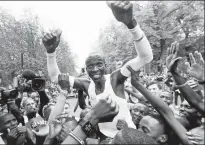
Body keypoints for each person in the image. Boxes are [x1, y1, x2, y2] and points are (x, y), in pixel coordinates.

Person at [43, 0, 153, 138]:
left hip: (127, 137)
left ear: (105, 66)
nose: (95, 69)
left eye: (99, 65)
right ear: (86, 69)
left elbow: (146, 57)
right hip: (103, 139)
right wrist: (50, 53)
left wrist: (131, 24)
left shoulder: (116, 78)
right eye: (90, 66)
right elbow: (56, 78)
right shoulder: (86, 85)